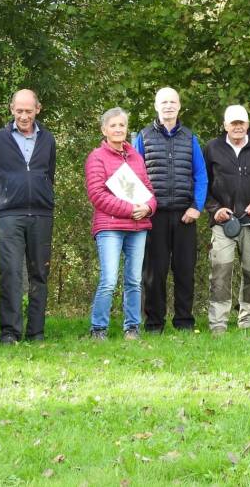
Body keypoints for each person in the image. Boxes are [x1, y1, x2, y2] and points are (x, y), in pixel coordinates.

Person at [0, 89, 56, 344]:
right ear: (12, 109)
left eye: (28, 110)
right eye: (19, 110)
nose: (24, 116)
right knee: (11, 273)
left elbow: (49, 174)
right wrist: (7, 196)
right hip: (9, 215)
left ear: (38, 109)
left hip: (41, 214)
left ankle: (36, 332)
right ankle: (10, 332)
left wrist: (40, 194)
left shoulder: (48, 139)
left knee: (39, 274)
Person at [134, 87, 207, 332]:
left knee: (185, 272)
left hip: (186, 216)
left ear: (179, 106)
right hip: (154, 216)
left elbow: (201, 176)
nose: (168, 106)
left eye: (172, 102)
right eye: (163, 102)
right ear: (156, 106)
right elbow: (133, 175)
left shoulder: (190, 138)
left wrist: (196, 206)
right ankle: (154, 323)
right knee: (154, 273)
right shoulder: (143, 137)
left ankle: (184, 322)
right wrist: (143, 206)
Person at [203, 105, 250, 334]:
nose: (237, 127)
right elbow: (201, 184)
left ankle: (248, 322)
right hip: (222, 223)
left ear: (247, 124)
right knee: (220, 271)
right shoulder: (212, 148)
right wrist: (214, 209)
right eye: (233, 123)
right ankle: (218, 324)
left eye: (241, 123)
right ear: (225, 125)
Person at [85, 108, 157, 340]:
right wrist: (130, 210)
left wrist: (148, 208)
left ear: (127, 129)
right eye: (113, 125)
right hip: (110, 228)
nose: (118, 129)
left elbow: (149, 190)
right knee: (108, 280)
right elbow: (97, 195)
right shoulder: (97, 157)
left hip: (138, 228)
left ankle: (132, 328)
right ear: (104, 130)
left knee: (134, 280)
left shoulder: (135, 156)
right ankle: (98, 329)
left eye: (122, 125)